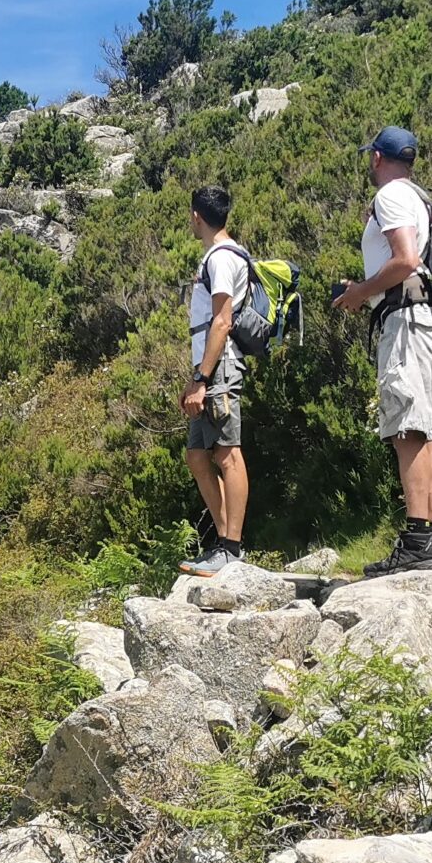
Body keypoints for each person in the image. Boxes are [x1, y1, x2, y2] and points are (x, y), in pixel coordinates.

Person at [330, 126, 432, 573]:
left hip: (405, 321)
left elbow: (404, 260)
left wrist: (362, 292)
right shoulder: (422, 198)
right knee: (428, 426)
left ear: (377, 157)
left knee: (407, 428)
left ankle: (419, 538)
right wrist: (364, 289)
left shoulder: (389, 197)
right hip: (428, 318)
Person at [179, 184, 251, 577]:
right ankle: (224, 542)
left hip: (219, 369)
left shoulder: (221, 258)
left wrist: (202, 377)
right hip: (207, 370)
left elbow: (222, 320)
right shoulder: (218, 256)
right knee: (197, 454)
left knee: (227, 453)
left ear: (197, 217)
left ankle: (231, 547)